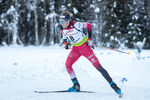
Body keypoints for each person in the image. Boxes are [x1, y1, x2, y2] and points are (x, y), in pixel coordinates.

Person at [59, 11, 121, 95]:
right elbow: (65, 35)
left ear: (68, 20)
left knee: (98, 66)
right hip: (75, 49)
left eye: (63, 21)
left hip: (85, 48)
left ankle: (113, 85)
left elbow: (89, 25)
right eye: (60, 21)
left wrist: (90, 39)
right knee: (67, 65)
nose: (61, 23)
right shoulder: (62, 27)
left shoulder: (76, 24)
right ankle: (76, 85)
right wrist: (65, 42)